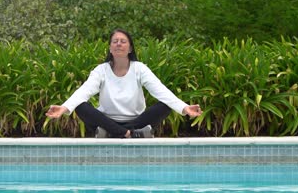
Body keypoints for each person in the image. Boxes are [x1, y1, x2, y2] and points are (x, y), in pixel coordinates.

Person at [46, 29, 202, 138]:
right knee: (80, 105)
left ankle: (113, 132)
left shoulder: (140, 69)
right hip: (107, 120)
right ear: (110, 48)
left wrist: (185, 107)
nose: (118, 44)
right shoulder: (101, 70)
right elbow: (84, 91)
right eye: (115, 42)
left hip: (137, 121)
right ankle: (131, 134)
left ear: (130, 48)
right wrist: (64, 108)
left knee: (165, 105)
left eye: (123, 41)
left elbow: (160, 90)